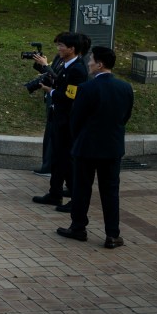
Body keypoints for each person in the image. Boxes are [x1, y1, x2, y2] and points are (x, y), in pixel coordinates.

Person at [57, 46, 134, 249]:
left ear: (100, 64)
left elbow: (76, 119)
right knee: (110, 191)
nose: (89, 63)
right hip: (112, 147)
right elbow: (125, 116)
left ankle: (78, 227)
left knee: (82, 189)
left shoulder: (86, 88)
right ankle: (112, 234)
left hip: (87, 147)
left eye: (92, 60)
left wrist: (80, 137)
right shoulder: (125, 88)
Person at [33, 32, 89, 208]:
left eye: (61, 46)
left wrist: (50, 91)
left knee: (66, 159)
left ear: (72, 49)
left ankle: (74, 196)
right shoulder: (66, 64)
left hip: (67, 120)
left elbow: (69, 96)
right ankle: (55, 193)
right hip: (58, 117)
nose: (58, 49)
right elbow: (59, 82)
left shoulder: (77, 69)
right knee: (58, 157)